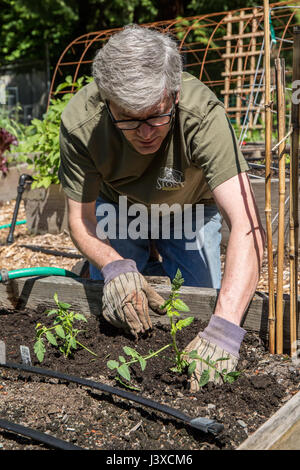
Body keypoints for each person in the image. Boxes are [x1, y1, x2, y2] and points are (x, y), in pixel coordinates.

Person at [58, 24, 265, 390]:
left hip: (188, 207)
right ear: (107, 102)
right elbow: (80, 219)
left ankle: (153, 257)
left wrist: (225, 329)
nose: (146, 132)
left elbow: (248, 226)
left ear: (174, 94)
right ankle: (120, 261)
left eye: (157, 115)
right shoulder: (82, 123)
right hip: (120, 207)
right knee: (121, 308)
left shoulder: (202, 115)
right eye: (129, 119)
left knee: (201, 304)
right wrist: (112, 264)